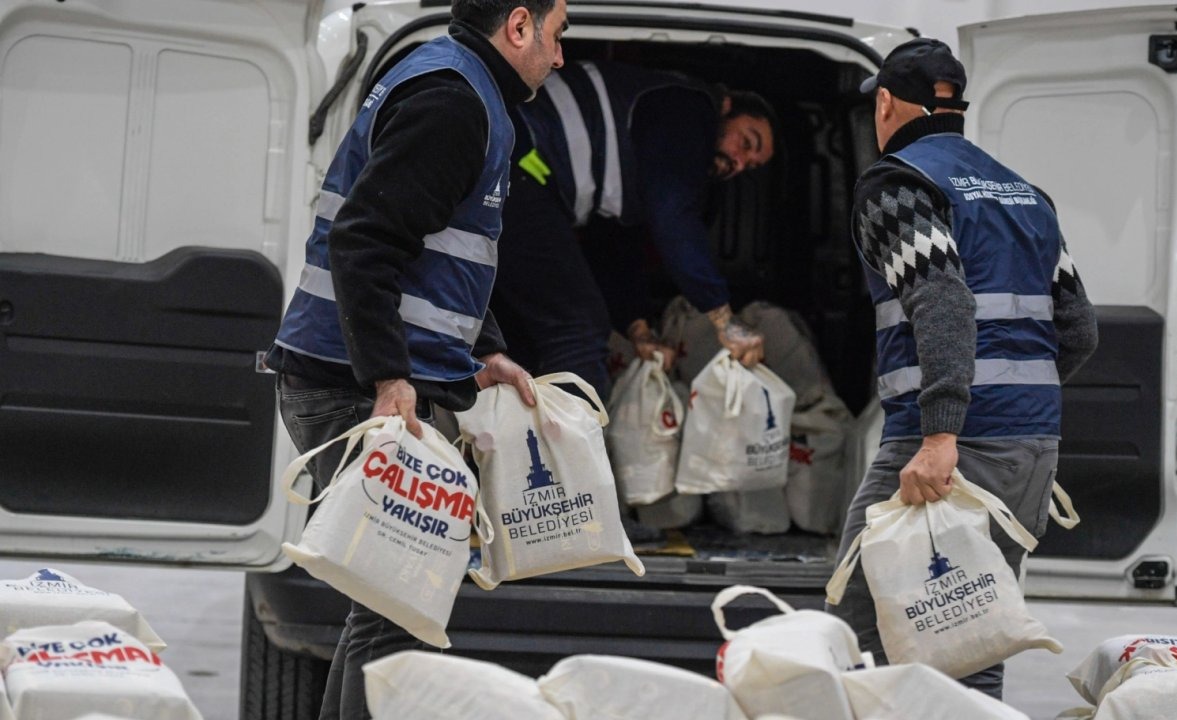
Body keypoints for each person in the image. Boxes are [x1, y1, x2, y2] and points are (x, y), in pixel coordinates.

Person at [263, 0, 568, 715]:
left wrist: (483, 350)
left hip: (350, 376)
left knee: (387, 607)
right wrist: (389, 378)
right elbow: (364, 241)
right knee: (398, 607)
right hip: (351, 387)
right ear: (518, 25)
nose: (560, 58)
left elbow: (436, 253)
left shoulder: (460, 86)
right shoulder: (453, 102)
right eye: (557, 37)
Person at [827, 38, 1098, 699]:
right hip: (1029, 452)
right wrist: (1018, 406)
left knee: (860, 630)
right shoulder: (1025, 196)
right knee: (972, 638)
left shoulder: (898, 184)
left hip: (948, 451)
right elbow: (1079, 330)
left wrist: (943, 432)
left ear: (885, 104)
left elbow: (941, 297)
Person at [488, 60, 779, 395]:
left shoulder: (646, 159)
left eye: (750, 166)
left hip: (519, 175)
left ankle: (522, 437)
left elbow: (617, 242)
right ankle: (570, 446)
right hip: (517, 160)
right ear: (726, 106)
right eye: (746, 142)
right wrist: (724, 320)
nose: (739, 163)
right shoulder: (690, 107)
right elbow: (674, 217)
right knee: (580, 328)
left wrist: (638, 329)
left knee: (527, 329)